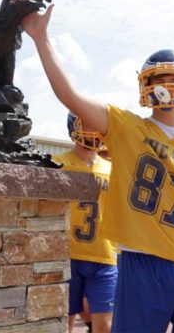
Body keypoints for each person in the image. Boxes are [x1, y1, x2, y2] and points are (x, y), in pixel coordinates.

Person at [21, 6, 174, 332]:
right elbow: (69, 96)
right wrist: (41, 39)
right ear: (145, 86)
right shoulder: (126, 127)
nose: (167, 85)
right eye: (159, 79)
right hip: (142, 262)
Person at [53, 113, 117, 333]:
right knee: (64, 324)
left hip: (104, 255)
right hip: (67, 255)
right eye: (88, 124)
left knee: (105, 327)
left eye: (97, 124)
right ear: (74, 126)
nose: (94, 129)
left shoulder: (112, 169)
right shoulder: (58, 163)